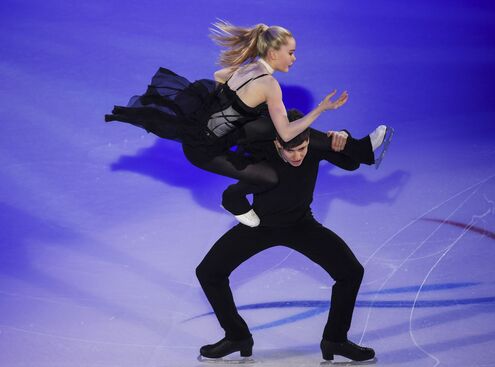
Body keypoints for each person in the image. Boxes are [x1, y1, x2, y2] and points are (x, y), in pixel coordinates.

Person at [105, 21, 355, 224]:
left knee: (285, 121)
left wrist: (229, 107)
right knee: (270, 176)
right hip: (204, 151)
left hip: (221, 133)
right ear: (272, 53)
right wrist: (321, 108)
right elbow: (287, 134)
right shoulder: (269, 83)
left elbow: (219, 75)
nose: (294, 58)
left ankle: (357, 149)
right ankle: (232, 199)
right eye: (291, 53)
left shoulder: (250, 67)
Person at [195, 109, 376, 362]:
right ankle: (237, 336)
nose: (297, 156)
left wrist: (343, 139)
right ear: (277, 142)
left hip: (301, 225)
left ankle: (335, 340)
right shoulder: (262, 154)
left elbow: (351, 163)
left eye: (302, 149)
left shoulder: (314, 147)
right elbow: (232, 195)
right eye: (290, 150)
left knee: (351, 272)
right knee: (208, 272)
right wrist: (248, 216)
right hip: (259, 227)